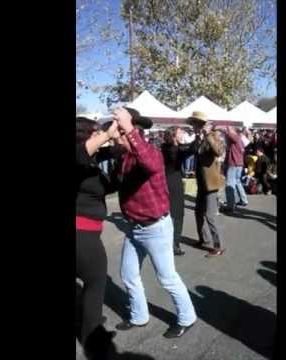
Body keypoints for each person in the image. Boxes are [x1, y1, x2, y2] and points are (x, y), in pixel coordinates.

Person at [111, 107, 197, 338]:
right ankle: (139, 316)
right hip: (133, 227)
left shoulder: (151, 152)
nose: (113, 137)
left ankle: (187, 317)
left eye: (116, 132)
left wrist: (128, 127)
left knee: (167, 278)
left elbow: (148, 162)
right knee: (128, 274)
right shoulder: (123, 158)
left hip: (155, 228)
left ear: (130, 131)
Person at [75, 116, 121, 359]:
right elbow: (81, 153)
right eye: (94, 134)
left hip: (87, 234)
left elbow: (106, 184)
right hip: (82, 237)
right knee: (95, 286)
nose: (98, 138)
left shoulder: (88, 163)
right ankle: (93, 340)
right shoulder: (79, 157)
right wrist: (107, 134)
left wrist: (121, 147)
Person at [187, 111, 226, 257]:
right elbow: (193, 152)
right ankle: (204, 239)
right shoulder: (200, 138)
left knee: (210, 216)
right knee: (198, 213)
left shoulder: (213, 135)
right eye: (192, 124)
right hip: (202, 183)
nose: (193, 127)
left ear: (201, 124)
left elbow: (218, 151)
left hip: (211, 183)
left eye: (194, 124)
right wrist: (198, 138)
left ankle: (219, 246)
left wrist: (208, 135)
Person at [161, 126, 193, 256]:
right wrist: (199, 135)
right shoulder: (175, 150)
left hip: (165, 181)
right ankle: (175, 245)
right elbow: (190, 149)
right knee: (178, 214)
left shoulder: (164, 147)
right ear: (174, 135)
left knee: (166, 213)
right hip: (174, 182)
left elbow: (188, 148)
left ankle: (166, 241)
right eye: (180, 132)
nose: (182, 134)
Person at [222, 126, 248, 212]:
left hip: (234, 164)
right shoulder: (239, 139)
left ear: (233, 131)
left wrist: (225, 130)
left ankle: (230, 205)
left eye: (229, 129)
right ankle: (244, 200)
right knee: (237, 182)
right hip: (239, 164)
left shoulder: (235, 137)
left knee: (229, 184)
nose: (227, 131)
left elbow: (230, 135)